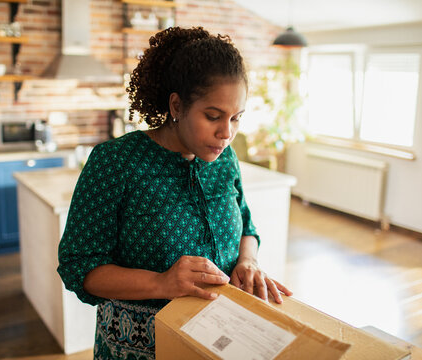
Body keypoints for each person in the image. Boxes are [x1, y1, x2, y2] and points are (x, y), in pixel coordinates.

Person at [57, 26, 292, 360]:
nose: (226, 133)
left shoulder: (225, 161)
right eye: (213, 116)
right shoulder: (116, 162)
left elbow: (247, 229)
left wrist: (248, 261)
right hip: (138, 349)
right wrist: (161, 283)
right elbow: (79, 266)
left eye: (236, 118)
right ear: (177, 105)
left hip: (218, 341)